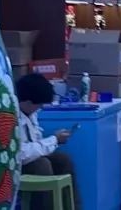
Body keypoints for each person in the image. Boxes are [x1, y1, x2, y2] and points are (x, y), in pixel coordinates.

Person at [17, 72, 82, 210]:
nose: (40, 108)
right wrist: (54, 140)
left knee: (63, 160)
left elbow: (35, 141)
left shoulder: (31, 112)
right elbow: (22, 154)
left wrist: (55, 141)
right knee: (42, 165)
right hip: (15, 166)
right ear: (28, 102)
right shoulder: (11, 116)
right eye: (39, 104)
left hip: (29, 158)